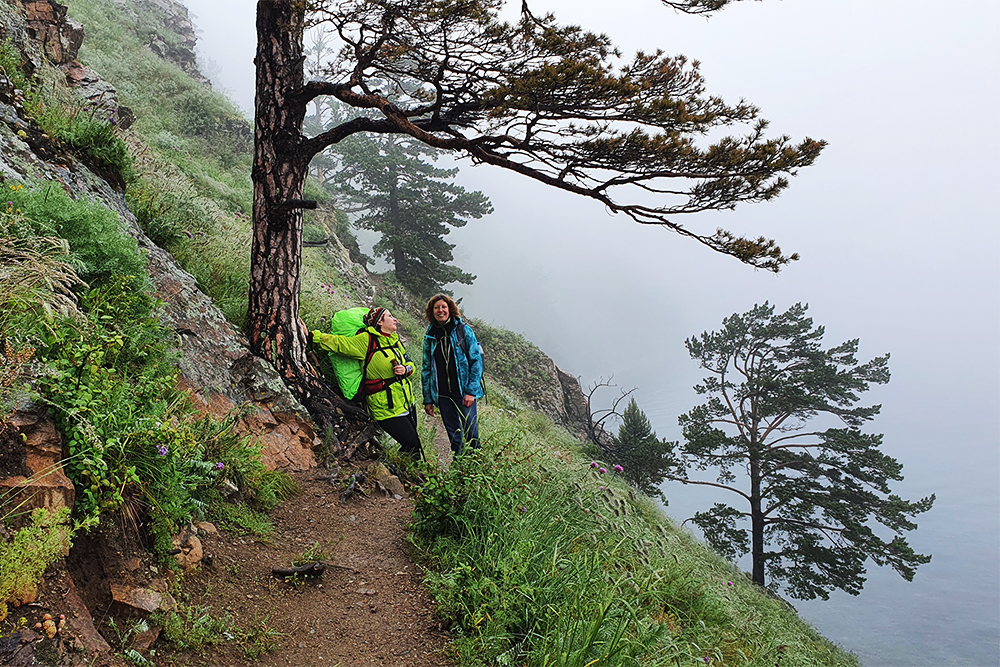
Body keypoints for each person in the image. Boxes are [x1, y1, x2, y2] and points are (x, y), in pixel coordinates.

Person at [308, 307, 422, 460]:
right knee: (412, 445)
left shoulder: (394, 341)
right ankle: (392, 471)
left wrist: (406, 369)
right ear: (379, 322)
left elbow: (411, 363)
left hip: (407, 401)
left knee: (414, 447)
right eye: (390, 316)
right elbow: (340, 344)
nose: (395, 319)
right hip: (386, 407)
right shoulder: (366, 340)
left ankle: (404, 471)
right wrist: (312, 336)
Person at [421, 294, 484, 456]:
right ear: (432, 311)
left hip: (463, 392)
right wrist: (428, 399)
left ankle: (476, 466)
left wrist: (471, 391)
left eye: (443, 307)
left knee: (471, 432)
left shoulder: (463, 330)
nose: (440, 310)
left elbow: (476, 362)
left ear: (450, 309)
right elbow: (426, 368)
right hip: (443, 395)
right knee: (454, 434)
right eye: (437, 308)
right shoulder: (430, 335)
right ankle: (459, 465)